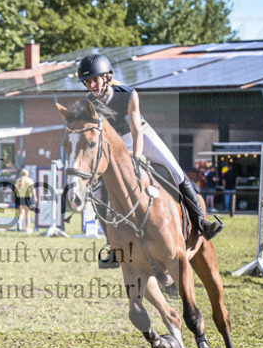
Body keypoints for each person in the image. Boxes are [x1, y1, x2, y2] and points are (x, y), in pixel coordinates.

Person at [77, 53, 224, 240]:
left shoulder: (127, 94)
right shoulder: (87, 104)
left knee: (175, 171)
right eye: (88, 82)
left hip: (141, 137)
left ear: (106, 77)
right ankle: (112, 243)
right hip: (114, 146)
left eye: (95, 80)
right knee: (97, 191)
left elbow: (137, 131)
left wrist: (136, 156)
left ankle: (202, 221)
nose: (92, 85)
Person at [15, 168, 35, 233]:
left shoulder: (18, 180)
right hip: (27, 198)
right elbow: (33, 190)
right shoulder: (30, 180)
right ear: (27, 174)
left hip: (19, 197)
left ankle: (19, 221)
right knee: (27, 213)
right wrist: (35, 197)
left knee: (21, 212)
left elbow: (15, 190)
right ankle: (27, 227)